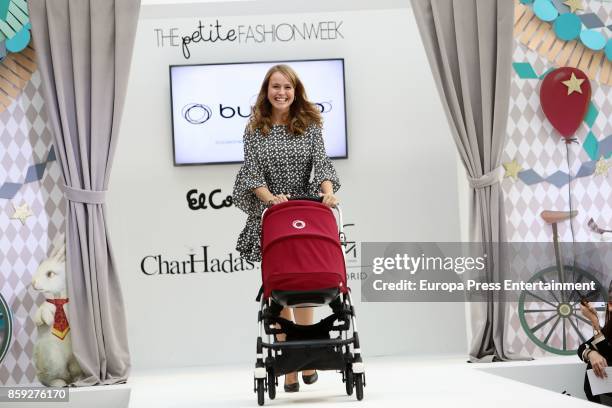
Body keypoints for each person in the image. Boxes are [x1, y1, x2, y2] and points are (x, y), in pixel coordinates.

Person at [232, 64, 340, 393]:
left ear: (296, 91)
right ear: (267, 91)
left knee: (306, 284)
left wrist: (328, 192)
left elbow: (321, 162)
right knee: (282, 288)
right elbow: (251, 175)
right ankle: (291, 368)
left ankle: (304, 355)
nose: (282, 92)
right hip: (275, 215)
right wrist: (270, 200)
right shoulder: (255, 130)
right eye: (275, 87)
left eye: (288, 87)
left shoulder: (308, 125)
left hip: (307, 210)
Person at [578, 288, 612, 404]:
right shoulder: (610, 329)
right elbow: (583, 347)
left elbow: (608, 354)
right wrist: (591, 354)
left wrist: (594, 322)